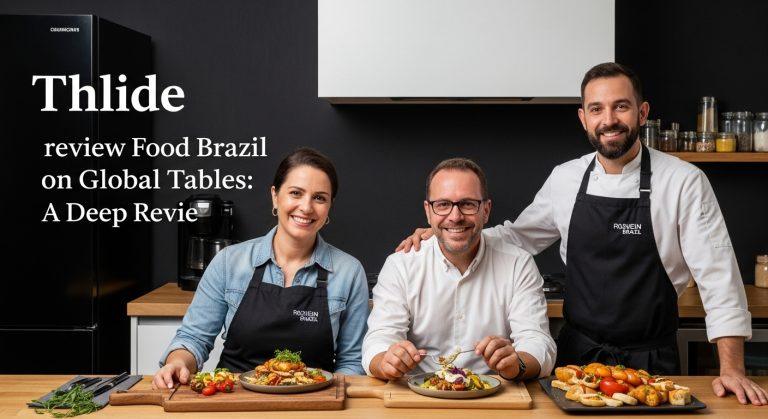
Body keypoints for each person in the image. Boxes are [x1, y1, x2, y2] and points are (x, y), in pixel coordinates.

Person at [397, 63, 768, 405]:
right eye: (596, 109)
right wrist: (450, 231)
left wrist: (732, 369)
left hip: (652, 363)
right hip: (576, 360)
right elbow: (518, 237)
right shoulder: (567, 178)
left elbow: (719, 279)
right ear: (583, 118)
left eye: (621, 107)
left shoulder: (683, 182)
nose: (609, 120)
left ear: (642, 113)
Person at [153, 148, 369, 389]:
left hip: (314, 400)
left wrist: (329, 399)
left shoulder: (349, 272)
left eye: (319, 198)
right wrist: (177, 363)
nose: (306, 207)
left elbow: (352, 361)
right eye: (295, 193)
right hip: (234, 398)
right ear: (275, 196)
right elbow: (193, 338)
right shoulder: (228, 262)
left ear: (329, 206)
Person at [363, 158, 556, 381]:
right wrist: (386, 361)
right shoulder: (401, 265)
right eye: (443, 204)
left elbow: (538, 341)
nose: (455, 217)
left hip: (496, 394)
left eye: (468, 204)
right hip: (417, 394)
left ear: (486, 210)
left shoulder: (518, 264)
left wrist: (517, 364)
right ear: (428, 211)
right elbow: (379, 339)